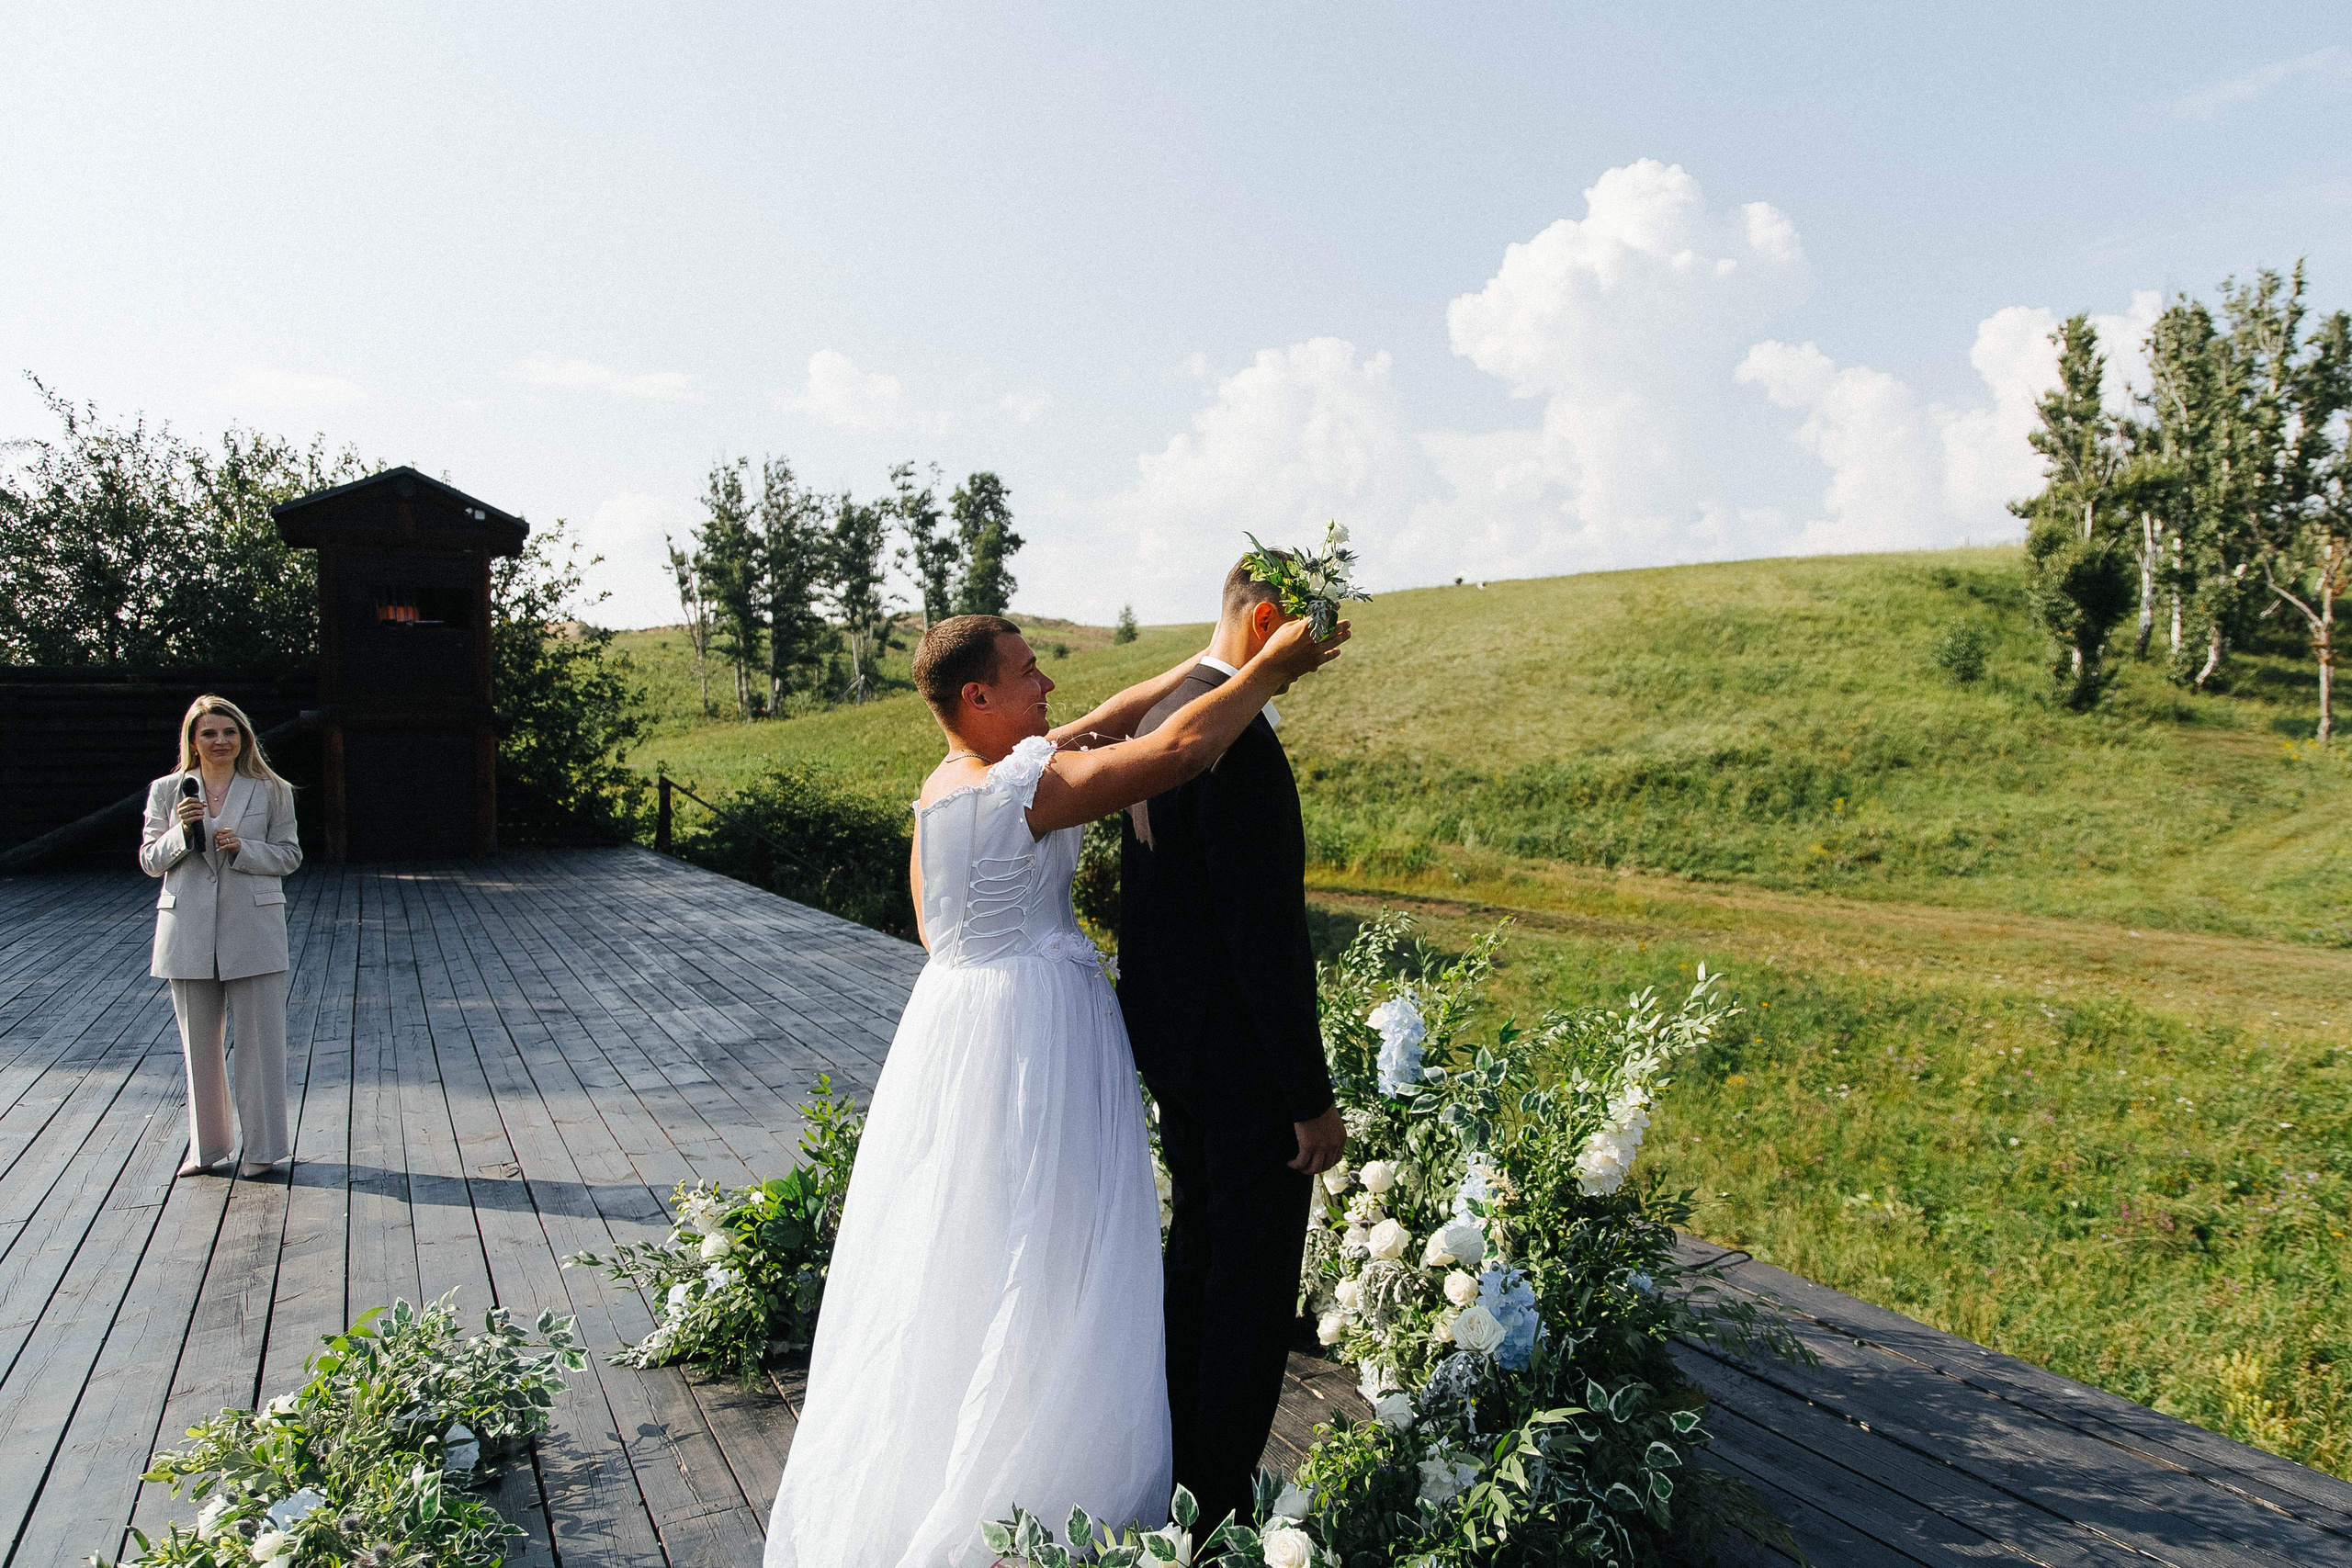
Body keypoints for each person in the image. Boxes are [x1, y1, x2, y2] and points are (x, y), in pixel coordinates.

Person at [765, 608, 1348, 1568]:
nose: (1048, 687)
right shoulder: (1021, 792)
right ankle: (1046, 1472)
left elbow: (1102, 727)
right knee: (1052, 1242)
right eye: (1028, 672)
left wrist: (1211, 659)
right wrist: (1269, 672)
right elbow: (1179, 751)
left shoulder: (950, 788)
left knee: (988, 1242)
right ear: (976, 695)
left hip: (959, 1040)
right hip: (1034, 1050)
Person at [1117, 558, 1346, 1533]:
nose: (1322, 652)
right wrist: (1308, 1097)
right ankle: (1216, 1507)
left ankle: (1176, 1470)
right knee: (1249, 1290)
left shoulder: (1162, 714)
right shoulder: (1235, 743)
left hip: (1178, 1051)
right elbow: (1264, 937)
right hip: (1245, 1067)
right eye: (1314, 631)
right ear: (1268, 621)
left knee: (1198, 1259)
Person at [139, 695, 303, 1179]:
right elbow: (149, 860)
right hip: (187, 931)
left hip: (253, 928)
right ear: (193, 740)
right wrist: (181, 831)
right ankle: (206, 1150)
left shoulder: (272, 789)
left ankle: (264, 1150)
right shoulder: (166, 790)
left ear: (243, 738)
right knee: (199, 1048)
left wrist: (244, 848)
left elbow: (290, 855)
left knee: (261, 1046)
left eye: (229, 732)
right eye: (208, 733)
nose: (220, 741)